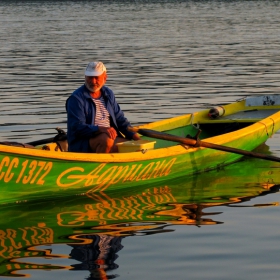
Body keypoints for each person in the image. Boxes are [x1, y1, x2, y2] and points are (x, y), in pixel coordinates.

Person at [66, 61, 140, 153]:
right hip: (83, 144)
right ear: (85, 77)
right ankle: (99, 166)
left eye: (96, 78)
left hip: (109, 138)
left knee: (136, 148)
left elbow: (119, 119)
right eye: (90, 78)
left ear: (105, 78)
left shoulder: (108, 94)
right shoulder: (76, 99)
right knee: (106, 140)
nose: (93, 81)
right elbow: (77, 127)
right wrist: (100, 129)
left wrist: (134, 135)